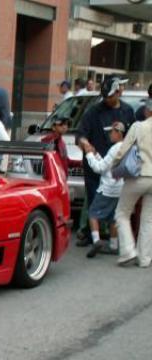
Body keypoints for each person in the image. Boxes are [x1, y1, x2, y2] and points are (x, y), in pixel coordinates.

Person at [76, 75, 135, 246]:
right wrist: (86, 144)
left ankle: (113, 238)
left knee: (116, 204)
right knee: (94, 199)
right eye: (105, 97)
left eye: (111, 96)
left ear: (118, 92)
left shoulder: (127, 111)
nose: (108, 100)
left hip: (117, 168)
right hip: (96, 165)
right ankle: (89, 234)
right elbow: (81, 135)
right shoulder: (94, 111)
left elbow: (132, 137)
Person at [108, 99, 152, 267]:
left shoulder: (138, 127)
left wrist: (114, 167)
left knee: (122, 213)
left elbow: (122, 150)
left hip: (139, 176)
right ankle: (145, 258)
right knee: (149, 219)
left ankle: (128, 251)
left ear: (148, 111)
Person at [80, 121, 125, 258]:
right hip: (120, 188)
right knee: (113, 218)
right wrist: (96, 154)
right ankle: (113, 245)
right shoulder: (125, 147)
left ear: (118, 132)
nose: (109, 135)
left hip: (107, 188)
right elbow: (107, 164)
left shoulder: (114, 149)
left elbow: (99, 168)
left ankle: (96, 240)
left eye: (111, 132)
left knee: (93, 213)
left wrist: (88, 154)